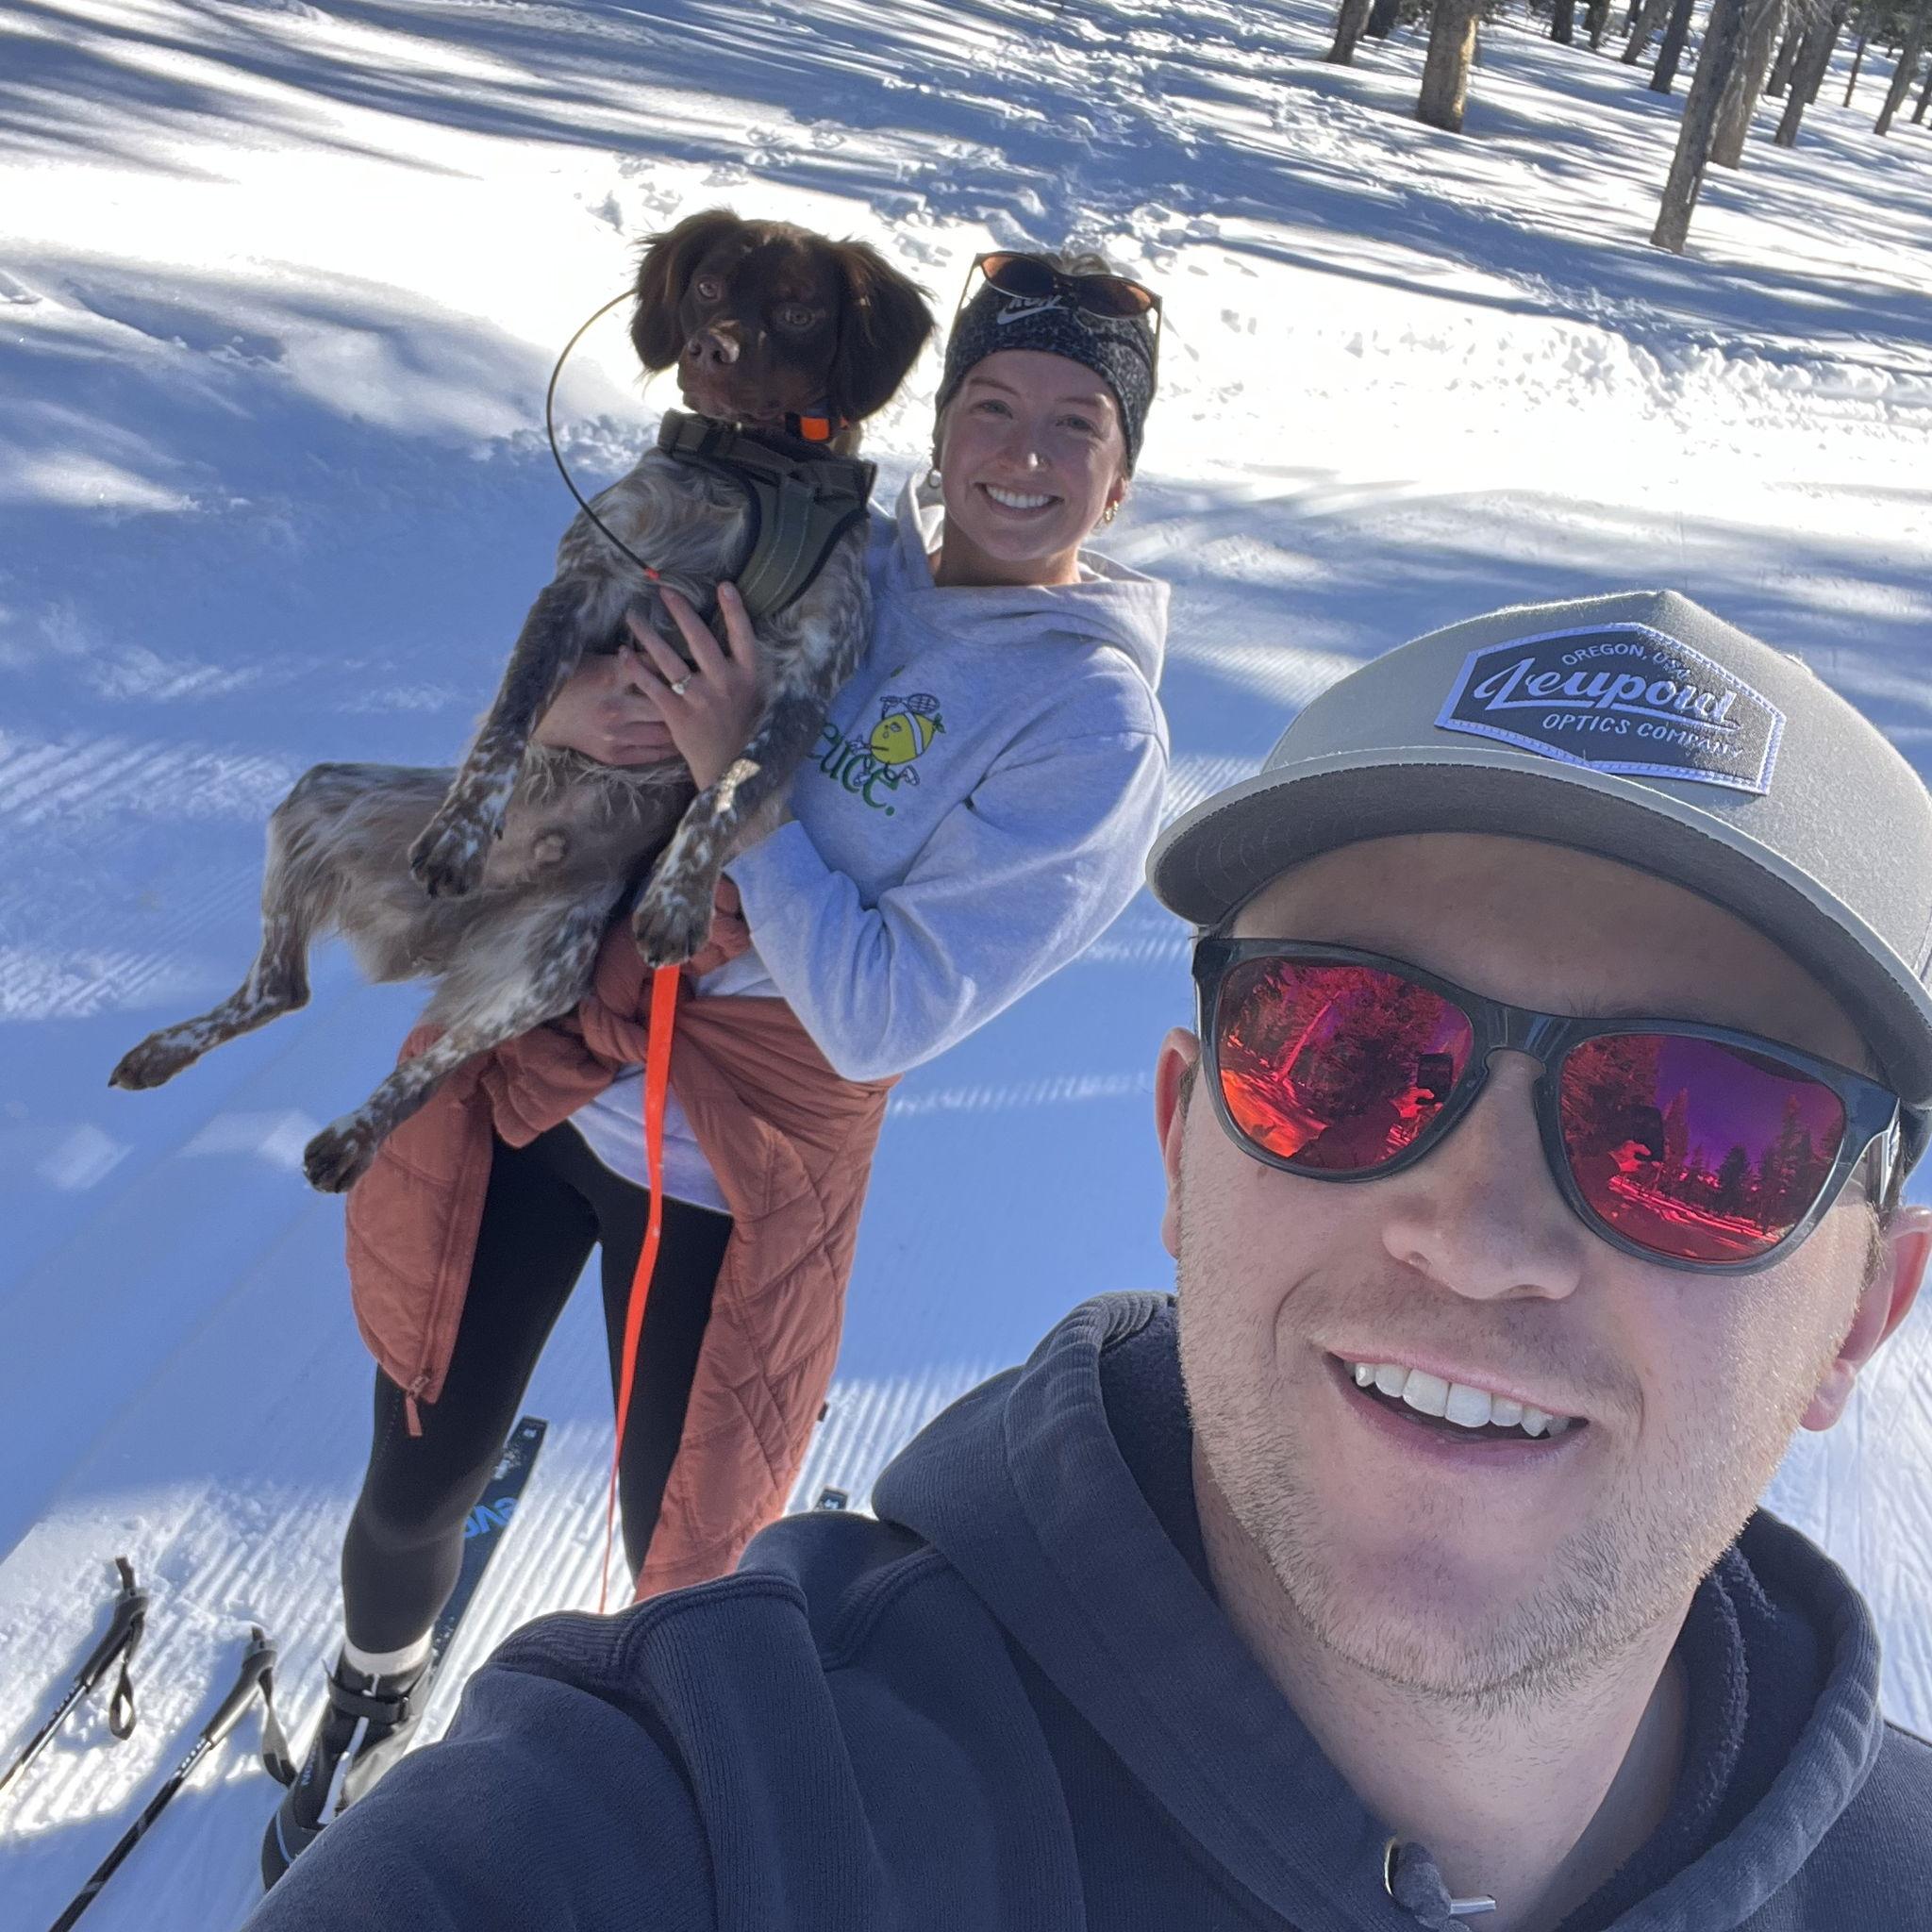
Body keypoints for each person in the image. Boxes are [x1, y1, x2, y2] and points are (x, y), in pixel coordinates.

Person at [249, 588, 1932, 1932]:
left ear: (1865, 1309)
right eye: (1343, 1049)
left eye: (1703, 1135)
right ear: (1184, 1145)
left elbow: (881, 996)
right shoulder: (695, 1820)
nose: (1480, 1238)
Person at [261, 248, 1170, 1883]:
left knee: (681, 1569)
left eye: (1076, 424)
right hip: (540, 1065)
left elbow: (881, 1014)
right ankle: (374, 1688)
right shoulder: (830, 539)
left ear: (1123, 470)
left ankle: (627, 1833)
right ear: (938, 423)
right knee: (416, 1470)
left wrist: (740, 793)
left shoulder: (1086, 723)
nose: (1024, 455)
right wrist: (574, 719)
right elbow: (580, 694)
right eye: (991, 405)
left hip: (723, 1177)